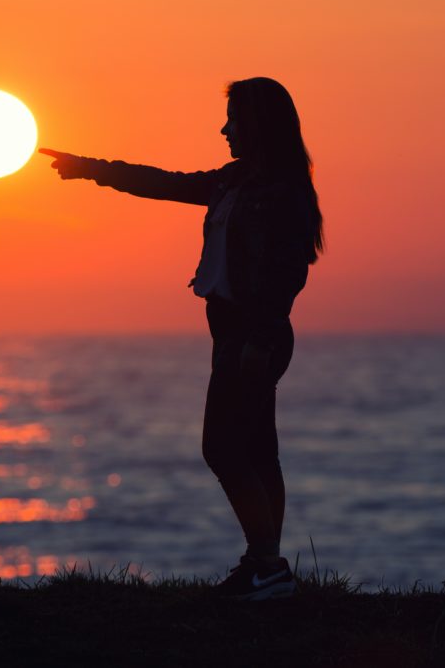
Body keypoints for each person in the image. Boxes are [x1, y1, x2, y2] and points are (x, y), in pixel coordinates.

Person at [39, 77, 324, 601]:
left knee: (222, 447)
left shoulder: (284, 192)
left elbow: (289, 272)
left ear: (260, 124)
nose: (225, 129)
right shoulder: (231, 182)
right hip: (232, 334)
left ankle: (268, 565)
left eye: (234, 119)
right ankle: (264, 566)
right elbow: (164, 183)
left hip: (255, 336)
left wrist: (258, 342)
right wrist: (90, 169)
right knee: (258, 449)